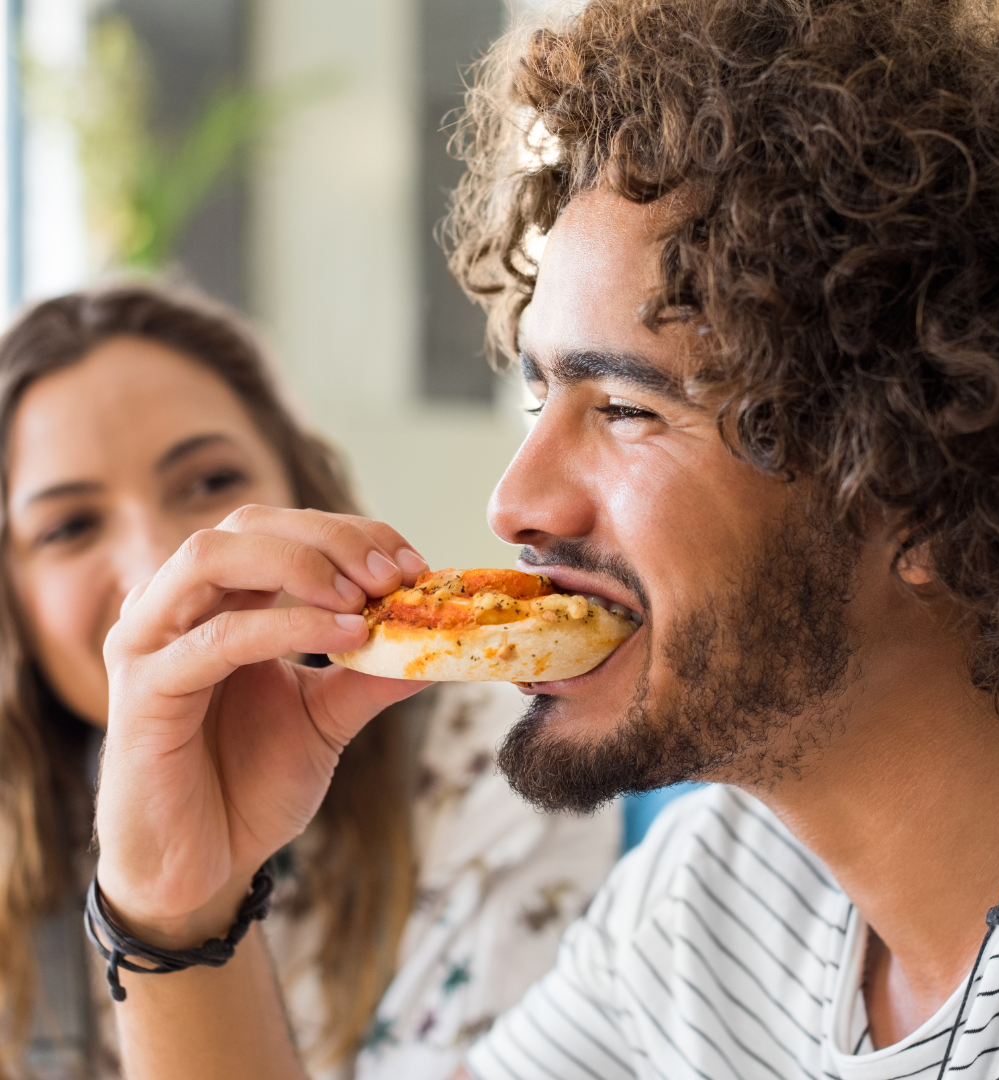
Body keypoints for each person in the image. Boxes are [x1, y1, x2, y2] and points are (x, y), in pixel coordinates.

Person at [86, 0, 999, 1077]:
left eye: (625, 409)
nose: (514, 503)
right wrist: (179, 913)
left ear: (926, 478)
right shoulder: (717, 901)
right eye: (540, 397)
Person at [0, 283, 619, 1080]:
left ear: (300, 492)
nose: (161, 559)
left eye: (207, 481)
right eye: (70, 526)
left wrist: (185, 919)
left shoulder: (507, 768)